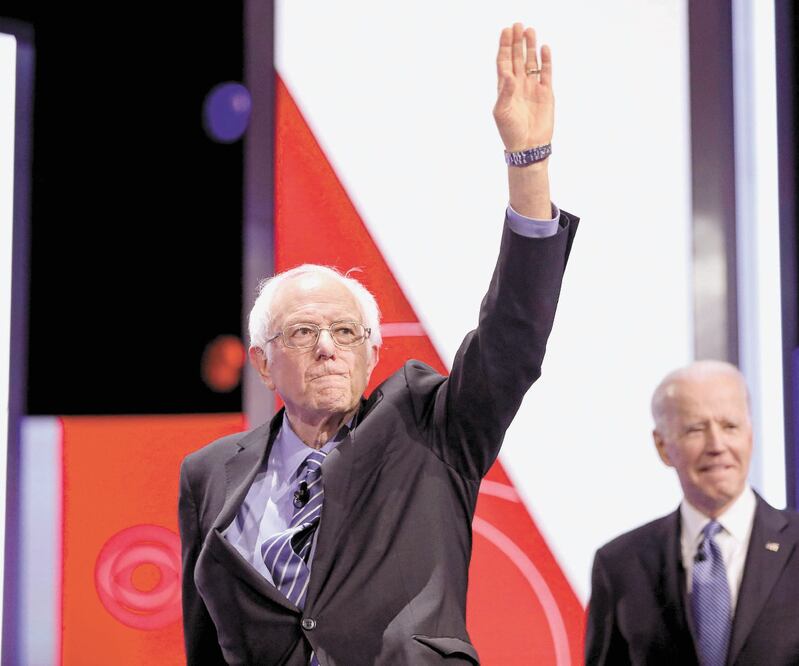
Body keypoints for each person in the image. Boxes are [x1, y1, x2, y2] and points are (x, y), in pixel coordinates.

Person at [179, 23, 578, 665]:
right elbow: (204, 641)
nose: (328, 348)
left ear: (371, 352)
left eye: (345, 333)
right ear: (262, 361)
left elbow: (513, 338)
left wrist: (527, 166)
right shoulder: (209, 473)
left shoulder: (432, 426)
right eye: (303, 333)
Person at [585, 360, 799, 665]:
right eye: (696, 429)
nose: (717, 445)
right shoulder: (619, 564)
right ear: (662, 446)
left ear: (750, 435)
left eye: (730, 426)